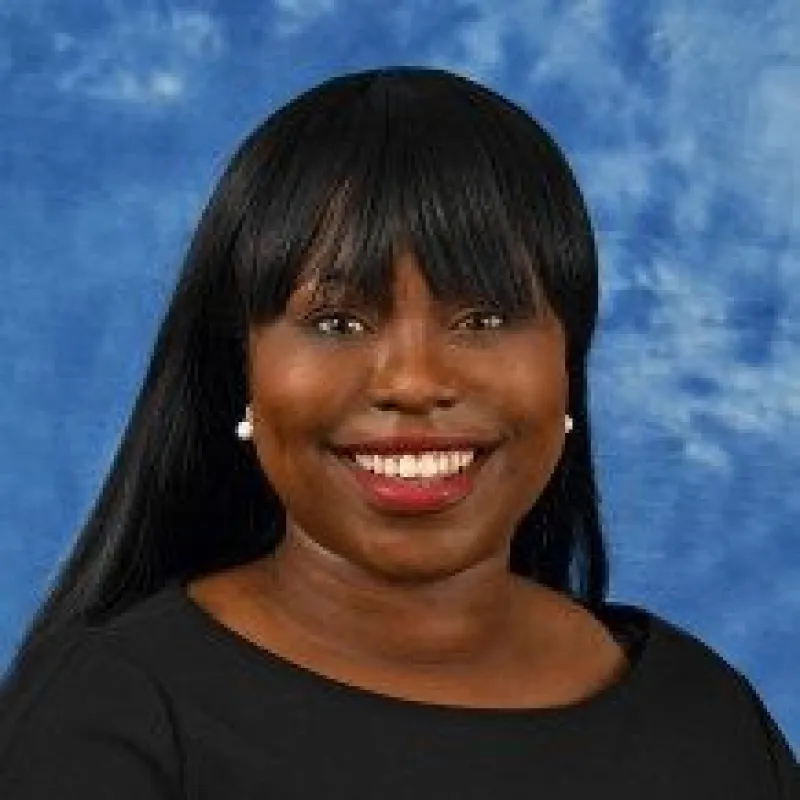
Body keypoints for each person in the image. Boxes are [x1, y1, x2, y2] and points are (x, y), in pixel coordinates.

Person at [0, 65, 796, 799]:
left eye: (483, 316)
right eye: (337, 319)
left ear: (568, 363)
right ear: (241, 370)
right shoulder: (110, 718)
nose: (413, 381)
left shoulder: (706, 716)